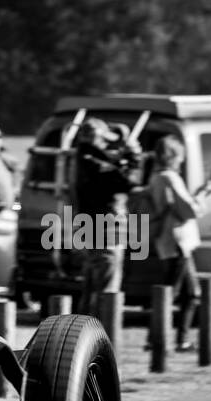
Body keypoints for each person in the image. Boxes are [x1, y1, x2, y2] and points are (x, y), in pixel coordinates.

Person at [71, 117, 136, 317]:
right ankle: (102, 335)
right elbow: (127, 181)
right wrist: (133, 157)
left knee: (91, 285)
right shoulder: (92, 162)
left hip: (93, 228)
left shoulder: (84, 158)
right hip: (107, 231)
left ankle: (85, 332)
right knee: (107, 289)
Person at [148, 135, 202, 351]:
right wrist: (201, 196)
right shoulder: (170, 178)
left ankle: (179, 338)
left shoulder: (155, 177)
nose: (181, 161)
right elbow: (188, 210)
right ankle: (162, 339)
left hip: (167, 241)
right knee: (171, 292)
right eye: (180, 156)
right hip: (178, 241)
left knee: (189, 293)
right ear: (172, 156)